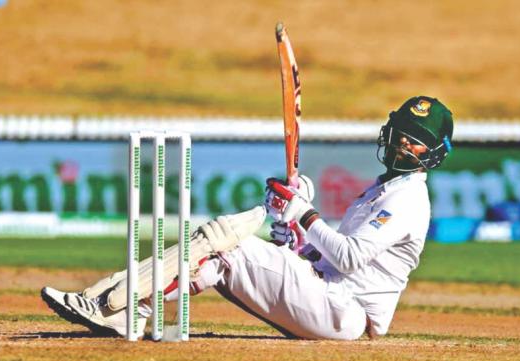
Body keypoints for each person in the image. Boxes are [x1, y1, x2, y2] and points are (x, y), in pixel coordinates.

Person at [41, 96, 454, 340]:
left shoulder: (408, 199)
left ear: (433, 152)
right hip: (329, 299)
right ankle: (120, 303)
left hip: (345, 313)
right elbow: (333, 261)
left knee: (224, 241)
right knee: (219, 251)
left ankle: (115, 304)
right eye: (402, 131)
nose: (403, 143)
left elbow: (348, 260)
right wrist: (295, 239)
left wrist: (305, 214)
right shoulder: (381, 189)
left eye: (416, 142)